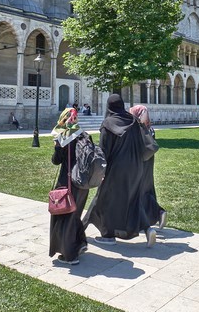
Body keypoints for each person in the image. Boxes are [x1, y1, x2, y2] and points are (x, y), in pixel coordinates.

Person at [83, 94, 157, 247]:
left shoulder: (108, 124)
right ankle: (148, 229)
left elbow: (104, 151)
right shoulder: (133, 121)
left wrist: (100, 171)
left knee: (102, 199)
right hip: (136, 167)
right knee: (133, 199)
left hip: (116, 169)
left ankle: (105, 235)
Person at [49, 108, 89, 265]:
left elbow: (56, 160)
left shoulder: (64, 137)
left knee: (64, 218)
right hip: (82, 183)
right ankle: (80, 243)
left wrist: (57, 146)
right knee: (75, 215)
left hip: (67, 183)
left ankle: (69, 255)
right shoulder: (83, 134)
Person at [129, 105, 167, 230]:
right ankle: (156, 214)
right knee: (147, 190)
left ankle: (157, 213)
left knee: (138, 192)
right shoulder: (150, 128)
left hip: (139, 163)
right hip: (149, 162)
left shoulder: (138, 129)